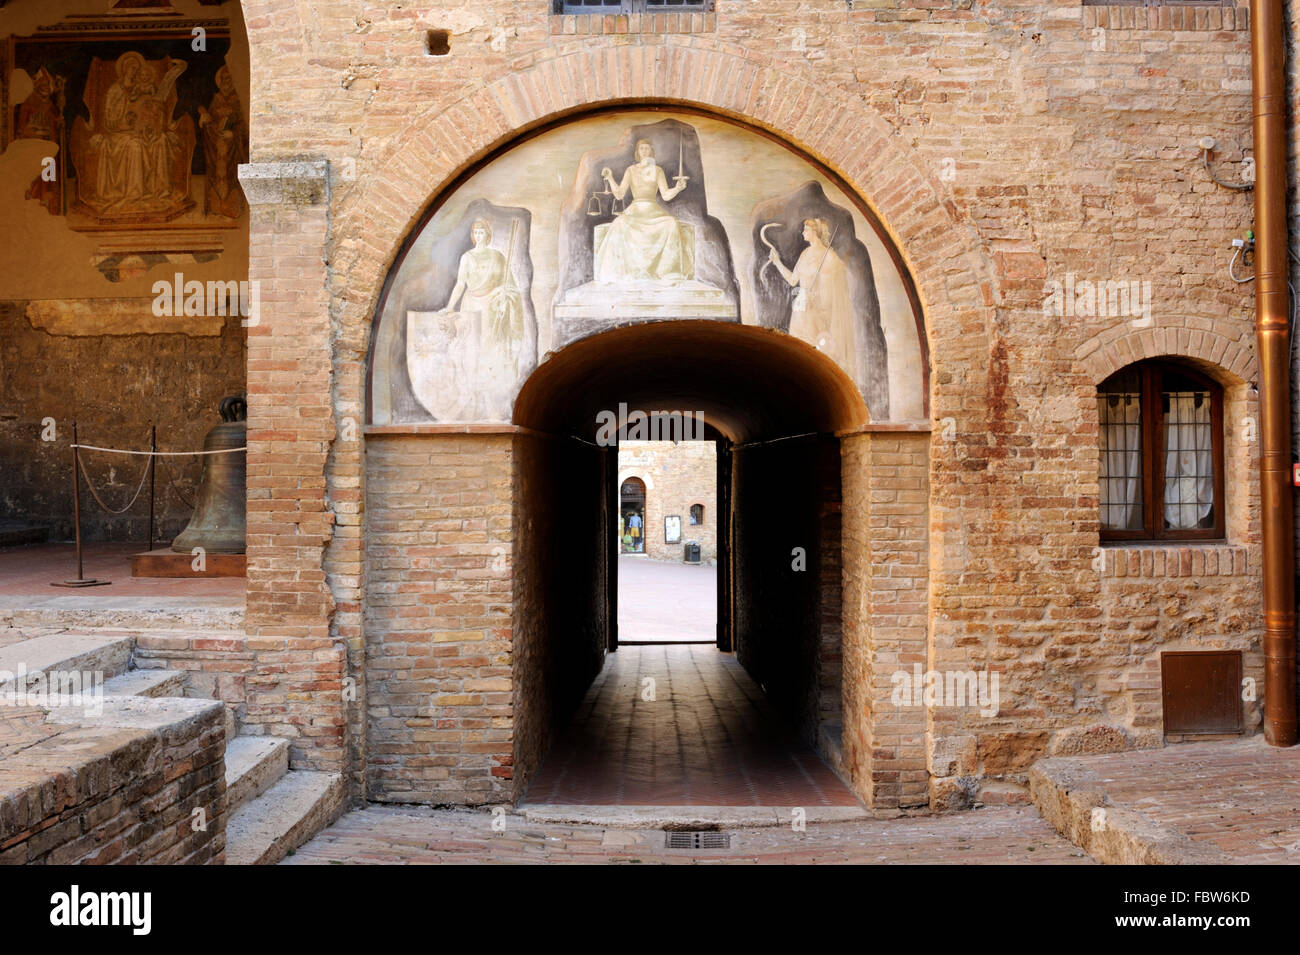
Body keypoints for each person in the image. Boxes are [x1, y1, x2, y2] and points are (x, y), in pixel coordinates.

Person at [439, 218, 525, 416]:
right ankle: (473, 399)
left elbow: (510, 284)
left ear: (488, 234)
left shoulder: (498, 256)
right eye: (476, 232)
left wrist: (504, 293)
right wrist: (450, 307)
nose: (479, 236)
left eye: (482, 232)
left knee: (491, 351)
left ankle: (492, 399)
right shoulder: (467, 257)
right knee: (472, 350)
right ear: (473, 235)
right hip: (472, 307)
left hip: (492, 308)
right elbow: (461, 284)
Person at [594, 139, 694, 283]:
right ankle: (627, 271)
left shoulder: (658, 170)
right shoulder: (631, 170)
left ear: (651, 151)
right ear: (638, 152)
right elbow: (619, 194)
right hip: (635, 210)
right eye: (642, 149)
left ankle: (665, 271)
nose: (645, 151)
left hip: (653, 210)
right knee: (619, 223)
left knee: (671, 223)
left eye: (647, 148)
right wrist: (609, 177)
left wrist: (678, 188)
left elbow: (665, 195)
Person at [768, 217, 855, 375]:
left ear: (815, 232)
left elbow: (830, 295)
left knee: (814, 354)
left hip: (815, 312)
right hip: (800, 309)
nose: (802, 233)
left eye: (806, 229)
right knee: (798, 351)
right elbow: (793, 280)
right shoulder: (805, 253)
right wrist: (777, 262)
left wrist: (817, 302)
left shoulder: (829, 257)